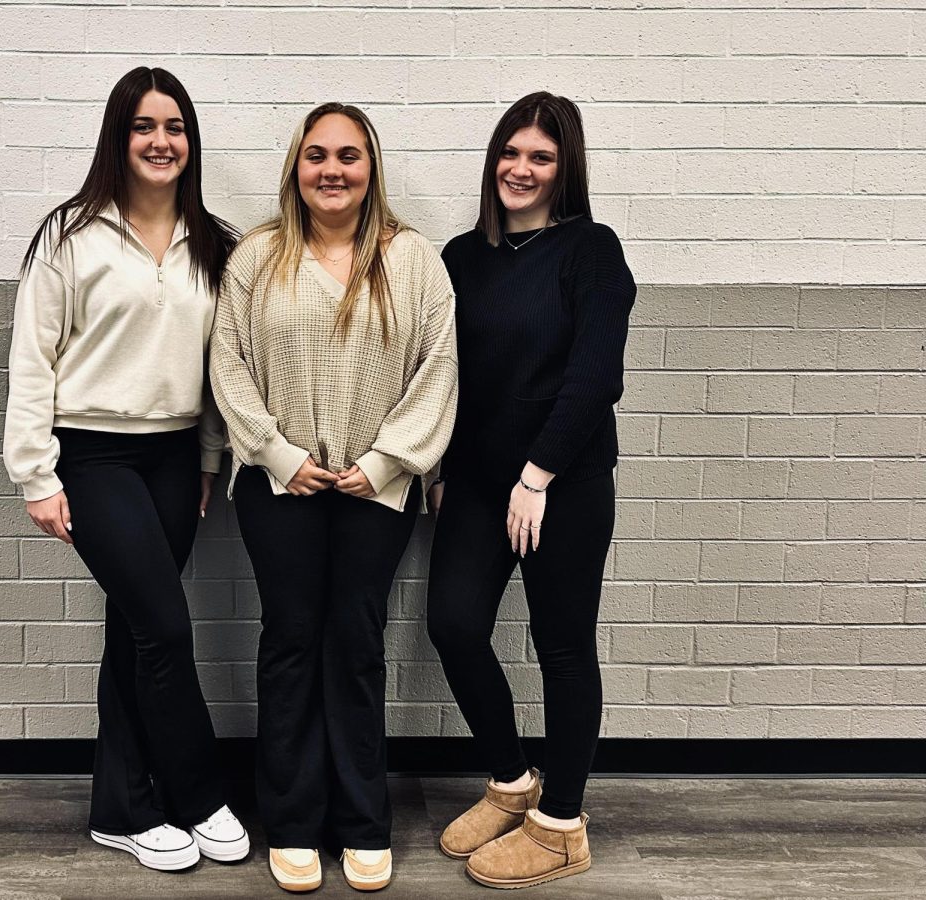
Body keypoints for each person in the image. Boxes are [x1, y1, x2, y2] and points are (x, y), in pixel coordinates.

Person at [2, 67, 249, 873]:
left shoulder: (215, 242)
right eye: (144, 127)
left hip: (177, 457)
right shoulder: (69, 235)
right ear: (118, 137)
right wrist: (36, 475)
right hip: (93, 453)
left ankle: (120, 807)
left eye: (174, 127)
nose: (161, 141)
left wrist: (210, 457)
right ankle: (197, 794)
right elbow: (32, 360)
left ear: (191, 140)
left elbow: (224, 367)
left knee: (137, 633)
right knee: (167, 629)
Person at [210, 102, 457, 893]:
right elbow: (229, 367)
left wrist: (385, 464)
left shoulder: (412, 259)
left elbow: (438, 370)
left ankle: (360, 821)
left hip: (374, 491)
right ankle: (290, 820)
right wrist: (280, 455)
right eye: (317, 155)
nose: (333, 170)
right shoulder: (257, 258)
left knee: (354, 645)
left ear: (371, 168)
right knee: (289, 641)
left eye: (349, 156)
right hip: (280, 487)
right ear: (296, 167)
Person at [426, 92, 636, 889]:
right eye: (511, 153)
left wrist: (537, 474)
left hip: (565, 483)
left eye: (541, 157)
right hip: (478, 484)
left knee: (564, 649)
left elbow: (595, 376)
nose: (522, 169)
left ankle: (561, 825)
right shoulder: (460, 257)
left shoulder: (592, 251)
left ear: (564, 169)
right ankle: (513, 783)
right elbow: (444, 376)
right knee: (453, 624)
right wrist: (443, 471)